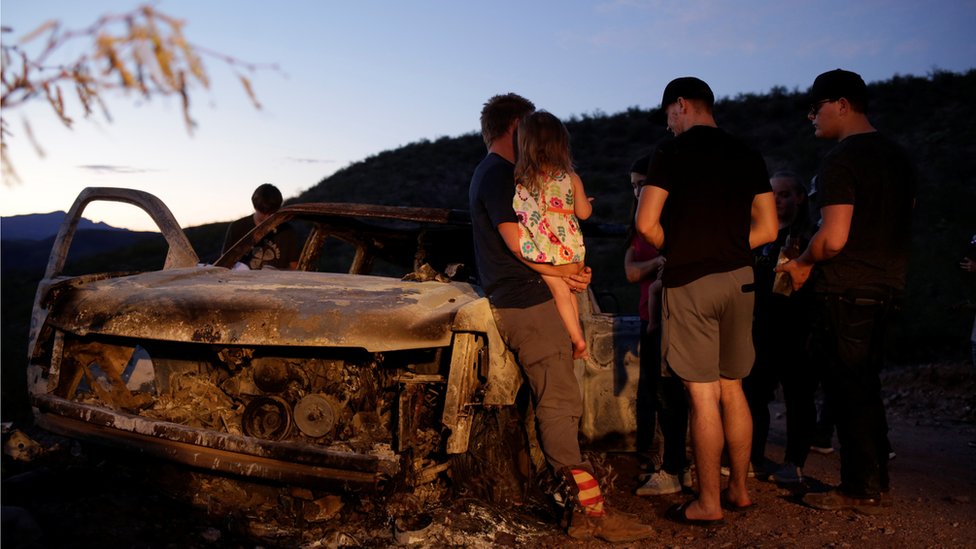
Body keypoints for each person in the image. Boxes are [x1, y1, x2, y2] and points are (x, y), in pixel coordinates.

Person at [468, 93, 655, 543]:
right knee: (560, 407)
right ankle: (591, 515)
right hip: (530, 307)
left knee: (559, 404)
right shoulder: (497, 177)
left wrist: (569, 273)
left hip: (535, 300)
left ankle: (577, 512)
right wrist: (564, 272)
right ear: (516, 125)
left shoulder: (510, 178)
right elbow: (518, 245)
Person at [636, 76, 778, 525]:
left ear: (680, 105)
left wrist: (676, 249)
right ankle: (738, 489)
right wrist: (732, 247)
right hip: (740, 278)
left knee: (702, 397)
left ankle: (708, 502)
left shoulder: (671, 153)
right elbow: (769, 229)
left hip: (691, 281)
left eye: (668, 118)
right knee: (733, 388)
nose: (669, 127)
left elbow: (645, 223)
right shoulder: (747, 153)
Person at [776, 69, 916, 513]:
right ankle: (875, 479)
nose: (810, 119)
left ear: (840, 104)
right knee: (866, 385)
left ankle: (859, 487)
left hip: (846, 288)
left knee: (848, 390)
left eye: (815, 109)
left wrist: (800, 265)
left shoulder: (842, 160)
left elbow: (833, 237)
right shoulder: (900, 159)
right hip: (889, 285)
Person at [745, 171, 818, 484]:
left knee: (798, 397)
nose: (777, 201)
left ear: (799, 197)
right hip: (759, 328)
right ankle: (753, 456)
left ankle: (794, 463)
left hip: (797, 329)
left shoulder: (812, 237)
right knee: (753, 393)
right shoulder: (761, 236)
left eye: (784, 194)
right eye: (772, 195)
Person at [625, 154, 690, 495]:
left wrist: (652, 266)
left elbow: (652, 275)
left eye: (643, 185)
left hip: (667, 320)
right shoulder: (638, 225)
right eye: (634, 186)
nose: (637, 192)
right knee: (661, 397)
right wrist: (656, 262)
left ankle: (676, 469)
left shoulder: (672, 223)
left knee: (672, 397)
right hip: (649, 316)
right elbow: (631, 271)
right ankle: (675, 463)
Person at [512, 110, 593, 359]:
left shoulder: (524, 179)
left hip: (546, 247)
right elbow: (584, 213)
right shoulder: (571, 177)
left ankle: (576, 339)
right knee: (571, 292)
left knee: (559, 289)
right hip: (571, 247)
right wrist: (586, 203)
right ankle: (579, 334)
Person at [222, 183, 299, 270]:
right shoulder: (237, 227)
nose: (268, 217)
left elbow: (294, 267)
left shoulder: (287, 232)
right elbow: (224, 265)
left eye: (271, 213)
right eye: (263, 212)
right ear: (255, 206)